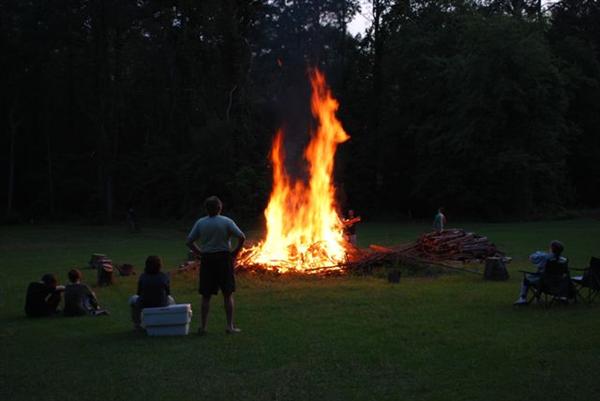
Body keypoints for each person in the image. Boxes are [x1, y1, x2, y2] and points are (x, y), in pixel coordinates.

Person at [186, 196, 245, 335]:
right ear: (220, 208)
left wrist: (200, 253)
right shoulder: (226, 221)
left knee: (206, 295)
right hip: (224, 258)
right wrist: (235, 251)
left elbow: (189, 241)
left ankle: (203, 327)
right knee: (227, 294)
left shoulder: (201, 223)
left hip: (208, 259)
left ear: (206, 209)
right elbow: (242, 237)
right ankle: (229, 326)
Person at [514, 240, 567, 305]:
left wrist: (538, 253)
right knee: (540, 276)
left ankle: (522, 298)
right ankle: (540, 297)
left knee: (526, 279)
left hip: (544, 282)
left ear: (551, 249)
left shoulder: (545, 257)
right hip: (557, 283)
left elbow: (532, 258)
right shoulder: (563, 260)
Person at [129, 256, 175, 330]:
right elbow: (168, 293)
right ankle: (171, 321)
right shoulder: (164, 276)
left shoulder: (143, 276)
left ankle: (137, 324)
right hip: (161, 303)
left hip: (145, 304)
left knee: (132, 299)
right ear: (160, 266)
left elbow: (138, 293)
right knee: (171, 299)